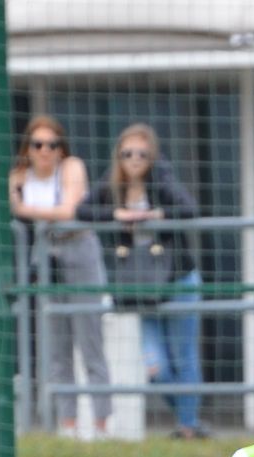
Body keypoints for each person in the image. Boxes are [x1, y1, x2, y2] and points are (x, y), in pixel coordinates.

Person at [81, 123, 206, 438]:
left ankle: (187, 429)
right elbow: (82, 210)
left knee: (183, 357)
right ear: (118, 156)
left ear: (152, 156)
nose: (134, 159)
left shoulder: (162, 180)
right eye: (127, 154)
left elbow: (189, 208)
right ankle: (189, 419)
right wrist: (117, 215)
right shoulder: (113, 185)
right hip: (142, 286)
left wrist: (156, 214)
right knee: (156, 367)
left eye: (142, 153)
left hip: (177, 279)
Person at [12, 116, 111, 437]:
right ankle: (68, 424)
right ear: (28, 148)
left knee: (90, 342)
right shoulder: (18, 176)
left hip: (79, 250)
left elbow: (70, 210)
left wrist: (26, 210)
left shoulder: (71, 167)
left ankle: (101, 425)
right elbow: (11, 206)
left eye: (52, 145)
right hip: (46, 256)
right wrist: (37, 213)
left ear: (61, 148)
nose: (45, 151)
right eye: (38, 144)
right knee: (57, 347)